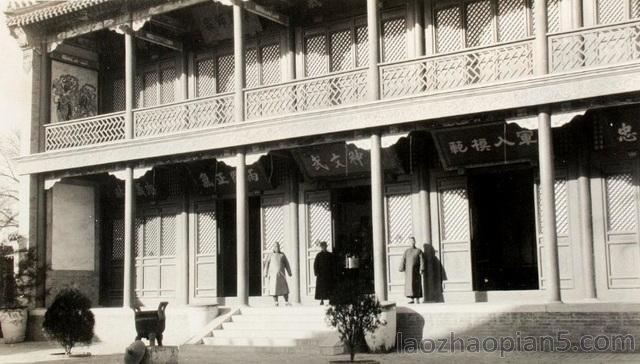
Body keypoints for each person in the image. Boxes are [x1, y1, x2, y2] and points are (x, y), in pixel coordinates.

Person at [264, 242, 292, 306]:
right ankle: (276, 302)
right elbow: (266, 265)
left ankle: (286, 301)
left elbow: (287, 264)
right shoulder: (270, 255)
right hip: (273, 275)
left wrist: (289, 272)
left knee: (284, 288)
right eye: (276, 246)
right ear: (273, 247)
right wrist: (265, 273)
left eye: (278, 246)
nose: (277, 248)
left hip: (281, 274)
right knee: (274, 288)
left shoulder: (282, 255)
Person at [399, 237, 425, 304]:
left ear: (415, 242)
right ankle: (412, 299)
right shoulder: (406, 251)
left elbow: (422, 260)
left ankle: (417, 298)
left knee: (416, 284)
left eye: (413, 241)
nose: (412, 243)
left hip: (416, 271)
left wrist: (421, 269)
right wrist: (401, 268)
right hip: (408, 271)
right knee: (410, 285)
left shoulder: (418, 250)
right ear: (409, 243)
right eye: (410, 241)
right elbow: (403, 260)